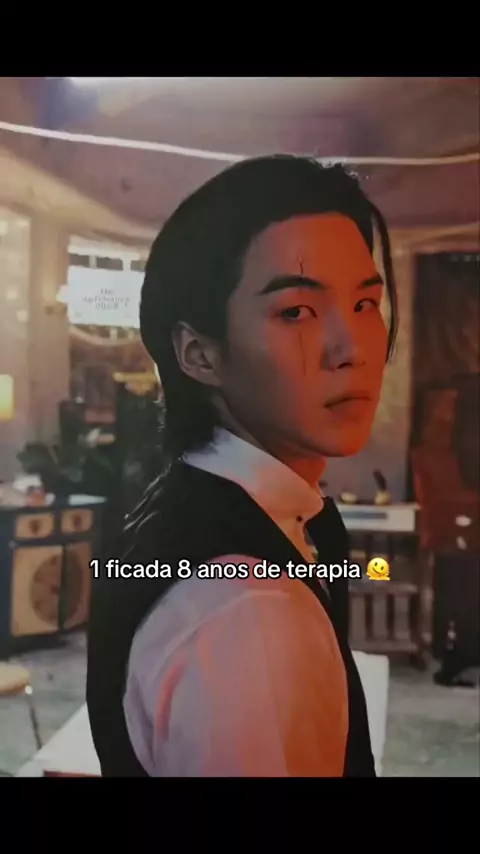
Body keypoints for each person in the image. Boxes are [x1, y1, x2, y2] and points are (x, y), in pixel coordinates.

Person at [87, 154, 398, 777]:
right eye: (297, 312)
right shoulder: (249, 609)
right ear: (200, 355)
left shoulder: (188, 506)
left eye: (366, 304)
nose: (353, 349)